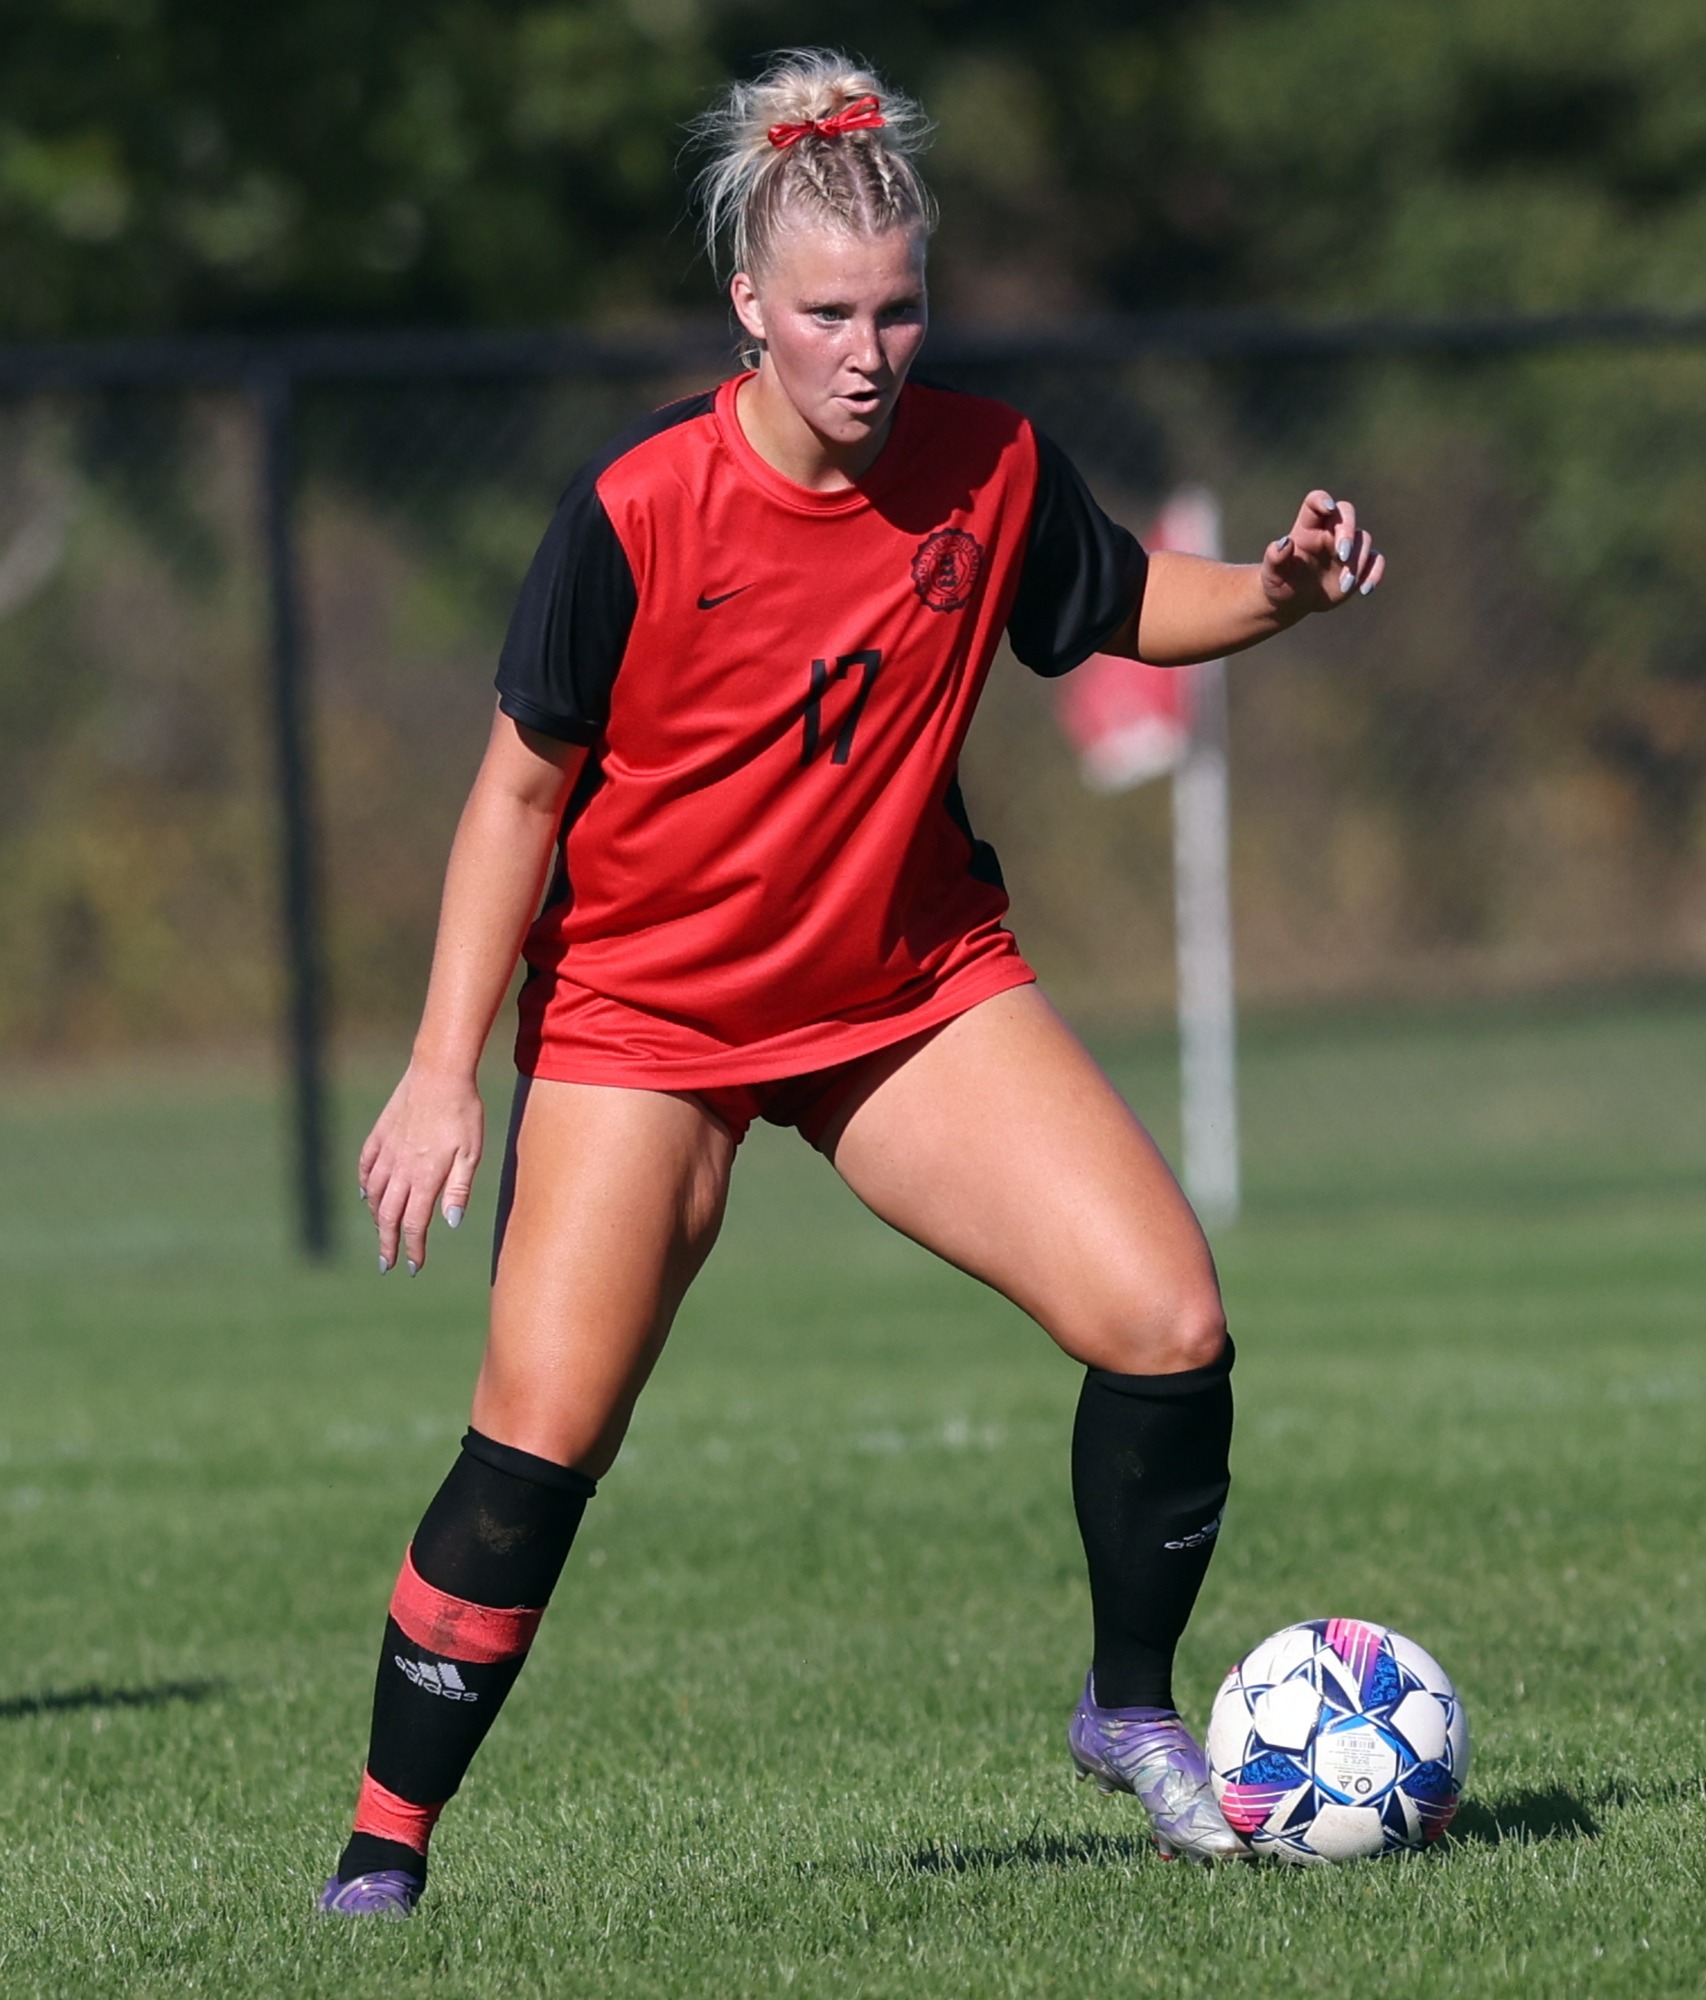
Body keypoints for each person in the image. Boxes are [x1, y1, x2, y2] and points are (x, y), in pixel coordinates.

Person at [318, 48, 1385, 1917]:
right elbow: (514, 792)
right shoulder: (641, 506)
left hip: (907, 991)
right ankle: (380, 1862)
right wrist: (438, 1065)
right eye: (827, 314)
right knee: (538, 1439)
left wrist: (1281, 593)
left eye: (901, 308)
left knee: (1169, 1320)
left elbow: (1128, 602)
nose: (872, 351)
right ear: (749, 304)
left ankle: (1130, 1708)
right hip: (641, 1023)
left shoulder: (992, 466)